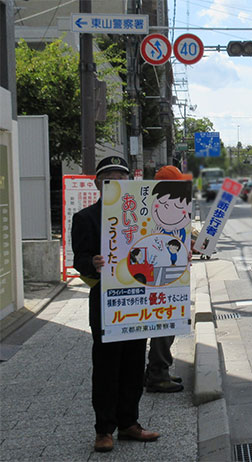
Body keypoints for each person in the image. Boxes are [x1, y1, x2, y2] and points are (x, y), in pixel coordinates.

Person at [71, 156, 160, 453]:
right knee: (107, 366)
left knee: (135, 363)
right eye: (108, 176)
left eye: (121, 176)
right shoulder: (85, 218)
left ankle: (129, 423)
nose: (115, 181)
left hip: (138, 300)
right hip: (107, 302)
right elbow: (79, 260)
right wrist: (91, 262)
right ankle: (103, 429)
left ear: (130, 181)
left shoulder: (145, 216)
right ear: (97, 183)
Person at [143, 164, 192, 394]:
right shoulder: (156, 213)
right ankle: (157, 374)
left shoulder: (171, 214)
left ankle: (157, 370)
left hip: (168, 277)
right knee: (163, 325)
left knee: (166, 325)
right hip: (158, 280)